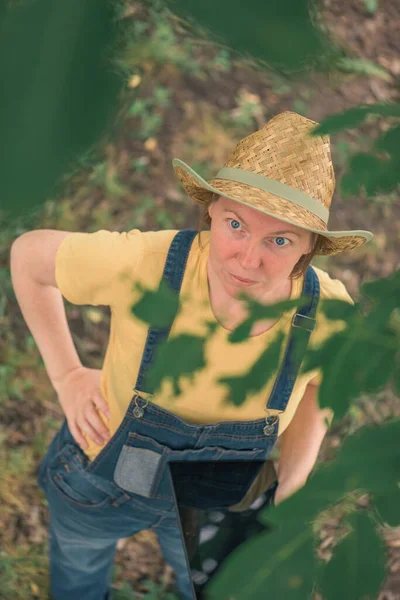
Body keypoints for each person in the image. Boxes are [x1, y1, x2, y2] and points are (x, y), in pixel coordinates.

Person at [10, 111, 373, 600]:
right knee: (78, 572)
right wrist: (67, 375)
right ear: (212, 212)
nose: (248, 259)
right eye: (236, 224)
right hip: (103, 477)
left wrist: (294, 478)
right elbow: (29, 257)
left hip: (219, 499)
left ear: (309, 250)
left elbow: (319, 386)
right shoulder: (147, 265)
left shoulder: (326, 316)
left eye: (279, 240)